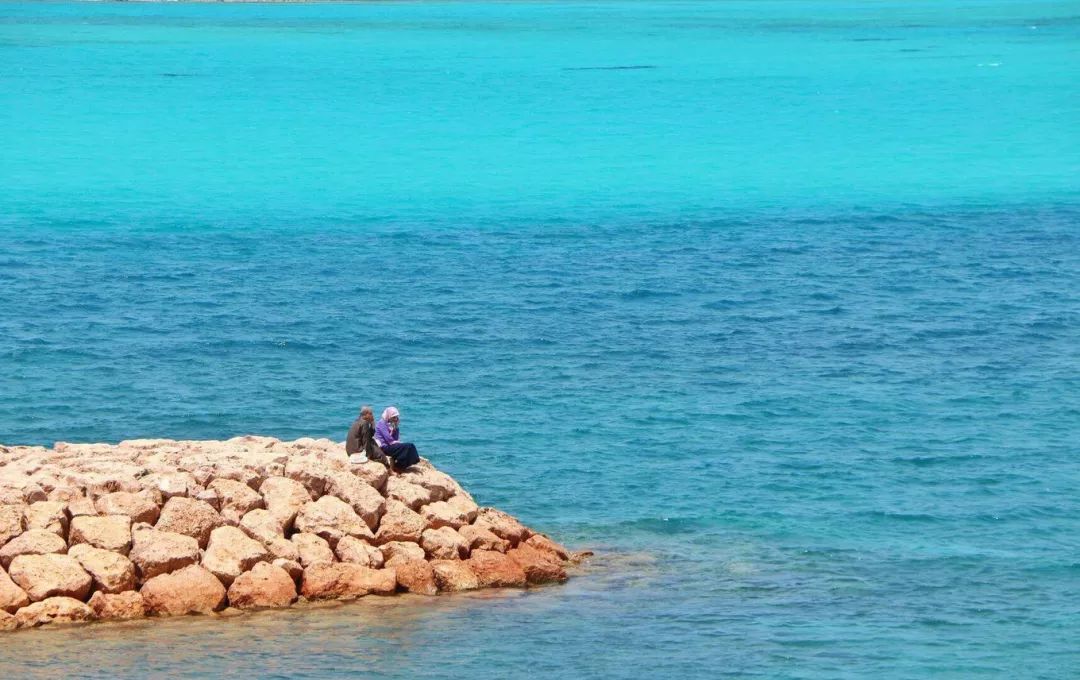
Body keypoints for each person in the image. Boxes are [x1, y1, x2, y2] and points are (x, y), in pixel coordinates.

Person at [374, 406, 420, 471]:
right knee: (408, 446)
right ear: (389, 416)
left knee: (410, 446)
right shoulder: (381, 423)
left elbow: (396, 439)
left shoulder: (391, 424)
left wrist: (396, 428)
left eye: (396, 417)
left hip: (391, 445)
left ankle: (405, 464)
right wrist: (397, 441)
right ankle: (398, 466)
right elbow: (389, 439)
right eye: (394, 417)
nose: (395, 419)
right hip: (384, 447)